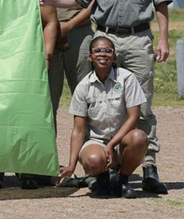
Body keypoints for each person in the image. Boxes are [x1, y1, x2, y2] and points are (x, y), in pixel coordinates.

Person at [37, 0, 172, 194]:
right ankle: (99, 169)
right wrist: (50, 0)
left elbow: (161, 1)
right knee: (97, 103)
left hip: (137, 40)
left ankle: (148, 167)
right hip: (105, 40)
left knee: (141, 105)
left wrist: (163, 39)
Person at [0, 0, 59, 190]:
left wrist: (46, 56)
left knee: (28, 116)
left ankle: (30, 170)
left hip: (28, 64)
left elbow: (51, 21)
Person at [56, 37, 149, 198]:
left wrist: (112, 145)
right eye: (97, 51)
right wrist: (71, 165)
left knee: (140, 137)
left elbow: (133, 118)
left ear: (114, 55)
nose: (103, 54)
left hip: (122, 141)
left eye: (108, 50)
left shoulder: (127, 78)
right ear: (90, 57)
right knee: (92, 160)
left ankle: (123, 180)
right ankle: (103, 180)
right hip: (96, 141)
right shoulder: (83, 87)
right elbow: (78, 130)